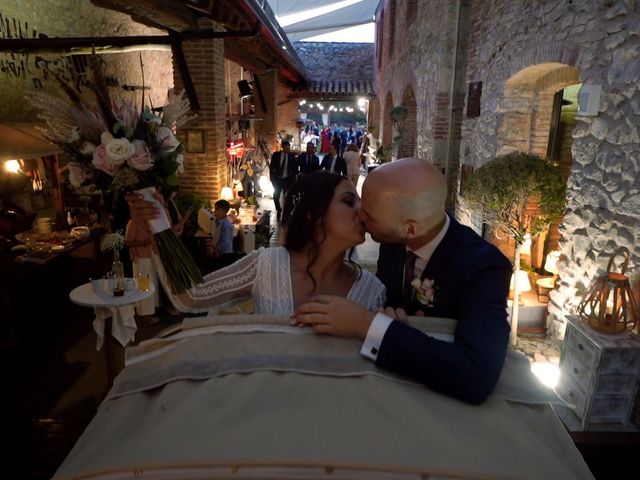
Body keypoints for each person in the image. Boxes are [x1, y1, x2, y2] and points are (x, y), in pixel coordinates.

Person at [292, 158, 512, 405]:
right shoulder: (392, 241)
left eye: (370, 214)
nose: (360, 215)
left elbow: (476, 376)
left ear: (409, 230)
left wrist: (366, 324)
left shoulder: (483, 267)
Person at [125, 172, 386, 315]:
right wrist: (157, 225)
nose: (361, 212)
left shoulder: (372, 292)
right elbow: (189, 298)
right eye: (349, 201)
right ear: (313, 213)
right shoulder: (267, 266)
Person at [269, 140, 297, 219]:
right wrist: (272, 179)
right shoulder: (276, 155)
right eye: (286, 148)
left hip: (287, 180)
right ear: (282, 148)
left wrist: (293, 180)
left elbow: (294, 170)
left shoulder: (291, 157)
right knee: (276, 196)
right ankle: (279, 209)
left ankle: (287, 212)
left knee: (289, 198)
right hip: (277, 179)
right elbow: (271, 167)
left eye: (289, 148)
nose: (287, 150)